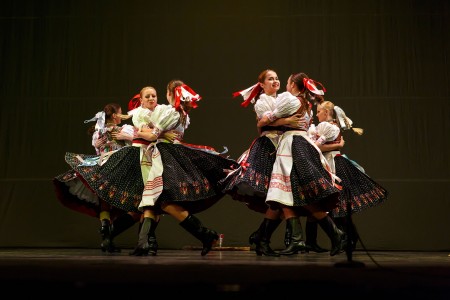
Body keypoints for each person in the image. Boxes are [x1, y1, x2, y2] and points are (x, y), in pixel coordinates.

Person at [62, 80, 238, 257]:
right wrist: (152, 132)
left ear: (169, 94)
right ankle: (146, 241)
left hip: (163, 155)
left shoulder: (169, 111)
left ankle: (198, 236)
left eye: (155, 95)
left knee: (158, 200)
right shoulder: (155, 112)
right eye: (148, 96)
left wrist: (152, 133)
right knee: (152, 200)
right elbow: (151, 132)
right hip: (156, 154)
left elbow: (152, 134)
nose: (152, 98)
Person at [222, 69, 305, 257]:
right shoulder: (262, 101)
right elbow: (263, 122)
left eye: (277, 78)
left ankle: (261, 238)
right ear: (262, 84)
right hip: (268, 147)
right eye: (270, 79)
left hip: (283, 146)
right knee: (275, 197)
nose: (275, 81)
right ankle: (264, 239)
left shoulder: (284, 99)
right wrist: (288, 120)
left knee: (278, 198)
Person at [263, 72, 347, 257]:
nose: (285, 85)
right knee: (288, 193)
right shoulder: (306, 104)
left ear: (293, 85)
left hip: (293, 145)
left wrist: (278, 121)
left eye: (287, 82)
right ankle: (297, 240)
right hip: (296, 143)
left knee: (297, 192)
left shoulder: (291, 100)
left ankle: (333, 234)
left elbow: (267, 120)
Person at [53, 102, 137, 253]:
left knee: (105, 205)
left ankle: (107, 237)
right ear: (114, 115)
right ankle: (108, 236)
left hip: (102, 168)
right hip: (118, 167)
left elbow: (98, 148)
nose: (122, 116)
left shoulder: (98, 132)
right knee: (126, 203)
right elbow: (132, 145)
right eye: (120, 113)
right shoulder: (123, 130)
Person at [310, 100, 388, 249]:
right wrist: (338, 145)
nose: (317, 114)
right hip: (335, 162)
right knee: (336, 204)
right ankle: (347, 238)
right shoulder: (334, 126)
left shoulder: (325, 126)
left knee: (335, 204)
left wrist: (336, 146)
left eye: (319, 111)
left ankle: (346, 238)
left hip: (332, 164)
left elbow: (316, 147)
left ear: (326, 113)